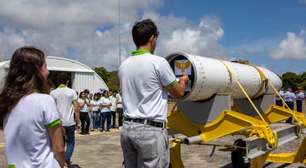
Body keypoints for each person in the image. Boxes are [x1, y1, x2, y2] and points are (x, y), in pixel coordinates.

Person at [118, 19, 189, 168]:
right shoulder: (158, 62)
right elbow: (179, 93)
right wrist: (183, 80)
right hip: (150, 131)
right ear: (152, 38)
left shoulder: (124, 65)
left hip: (127, 129)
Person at [0, 47, 65, 167]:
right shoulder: (44, 100)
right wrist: (62, 164)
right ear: (36, 71)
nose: (48, 71)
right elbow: (59, 148)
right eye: (45, 66)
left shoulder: (6, 102)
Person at [50, 72, 80, 166]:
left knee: (60, 144)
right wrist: (78, 121)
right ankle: (66, 159)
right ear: (67, 81)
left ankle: (61, 162)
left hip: (57, 123)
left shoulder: (53, 93)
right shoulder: (72, 92)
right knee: (71, 142)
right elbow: (76, 108)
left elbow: (51, 108)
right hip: (69, 122)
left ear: (58, 82)